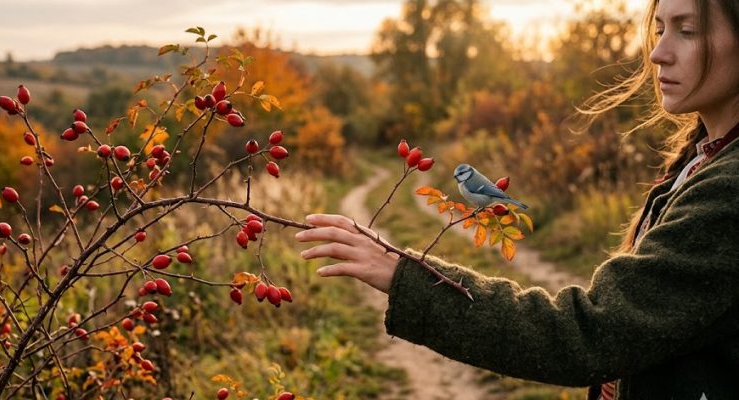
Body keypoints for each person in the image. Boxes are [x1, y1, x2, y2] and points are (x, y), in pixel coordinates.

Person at [294, 0, 738, 398]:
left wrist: (406, 278)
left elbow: (589, 334)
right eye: (659, 28)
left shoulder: (729, 190)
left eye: (687, 30)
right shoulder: (702, 159)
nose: (658, 51)